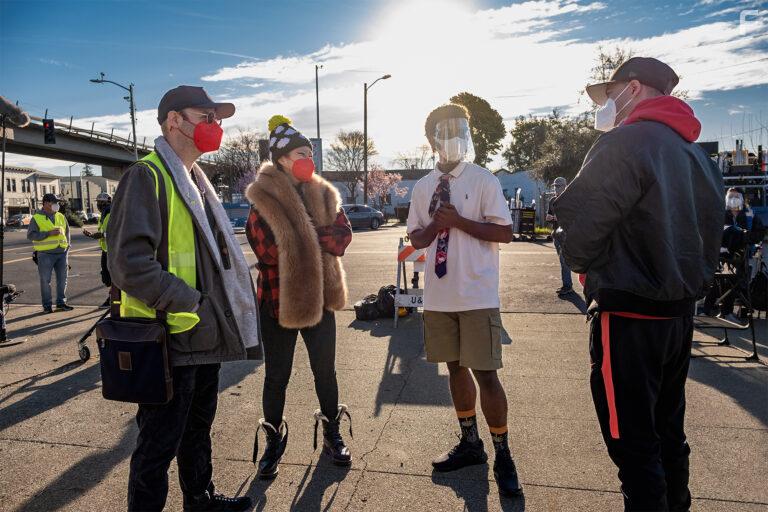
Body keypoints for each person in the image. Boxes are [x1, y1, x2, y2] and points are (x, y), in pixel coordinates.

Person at [553, 57, 723, 511]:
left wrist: (575, 256)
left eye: (609, 95)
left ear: (632, 88)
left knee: (632, 442)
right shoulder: (697, 156)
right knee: (669, 432)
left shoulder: (625, 143)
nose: (606, 105)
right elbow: (710, 238)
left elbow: (582, 230)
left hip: (628, 313)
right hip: (678, 315)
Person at [108, 85, 262, 512]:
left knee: (197, 431)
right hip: (169, 340)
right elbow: (129, 264)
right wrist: (191, 301)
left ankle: (201, 500)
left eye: (217, 119)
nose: (215, 127)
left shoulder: (196, 179)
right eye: (206, 116)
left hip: (202, 335)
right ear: (174, 121)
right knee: (157, 447)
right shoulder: (148, 176)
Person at [406, 104, 522, 496]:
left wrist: (458, 222)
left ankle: (503, 452)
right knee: (454, 369)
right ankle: (470, 442)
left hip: (476, 293)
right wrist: (436, 224)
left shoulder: (483, 179)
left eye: (461, 130)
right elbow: (417, 238)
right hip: (439, 297)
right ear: (432, 140)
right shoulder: (423, 187)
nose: (455, 137)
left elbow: (504, 233)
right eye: (446, 131)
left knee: (486, 374)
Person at [245, 115, 353, 480]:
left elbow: (342, 239)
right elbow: (269, 251)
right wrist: (314, 232)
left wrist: (299, 233)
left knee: (326, 372)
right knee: (277, 376)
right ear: (281, 160)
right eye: (301, 153)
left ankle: (332, 433)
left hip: (321, 299)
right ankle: (274, 438)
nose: (310, 158)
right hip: (279, 303)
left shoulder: (325, 192)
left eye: (310, 152)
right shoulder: (262, 197)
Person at [701, 187, 765, 326]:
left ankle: (727, 312)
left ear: (742, 199)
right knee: (718, 282)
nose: (733, 199)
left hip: (740, 256)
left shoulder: (750, 214)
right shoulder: (720, 213)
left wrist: (744, 237)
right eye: (730, 196)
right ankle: (709, 310)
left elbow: (759, 233)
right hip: (720, 256)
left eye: (736, 197)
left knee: (733, 283)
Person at [27, 193, 73, 313]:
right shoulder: (36, 218)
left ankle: (61, 303)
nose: (57, 205)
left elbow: (67, 232)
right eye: (54, 202)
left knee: (63, 279)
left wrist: (68, 246)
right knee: (45, 281)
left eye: (57, 202)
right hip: (45, 254)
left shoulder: (60, 216)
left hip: (62, 253)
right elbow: (31, 235)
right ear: (46, 203)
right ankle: (47, 305)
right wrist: (48, 233)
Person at [82, 192, 112, 308]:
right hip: (106, 249)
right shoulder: (104, 215)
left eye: (101, 203)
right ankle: (112, 297)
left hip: (113, 251)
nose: (99, 205)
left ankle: (112, 298)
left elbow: (114, 231)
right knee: (106, 276)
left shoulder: (112, 213)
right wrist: (92, 235)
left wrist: (101, 235)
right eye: (98, 202)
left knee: (111, 276)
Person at [546, 177, 573, 297]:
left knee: (564, 260)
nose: (556, 188)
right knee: (563, 262)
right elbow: (548, 216)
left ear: (564, 186)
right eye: (555, 186)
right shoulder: (552, 200)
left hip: (566, 234)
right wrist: (552, 218)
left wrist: (558, 218)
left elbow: (572, 217)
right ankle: (567, 285)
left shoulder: (569, 199)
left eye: (558, 186)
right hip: (555, 233)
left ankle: (567, 286)